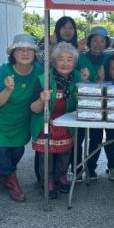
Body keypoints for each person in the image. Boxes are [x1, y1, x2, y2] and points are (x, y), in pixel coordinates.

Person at [0, 34, 43, 202]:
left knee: (18, 150)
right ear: (13, 53)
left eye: (29, 50)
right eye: (20, 50)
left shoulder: (39, 71)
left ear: (34, 54)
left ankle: (3, 175)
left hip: (20, 120)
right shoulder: (2, 72)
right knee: (1, 150)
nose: (25, 53)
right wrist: (8, 90)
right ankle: (13, 183)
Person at [30, 43, 86, 199]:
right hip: (46, 123)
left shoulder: (78, 77)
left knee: (65, 154)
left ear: (75, 62)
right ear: (53, 62)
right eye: (61, 59)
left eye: (70, 59)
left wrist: (86, 83)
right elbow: (33, 108)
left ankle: (61, 177)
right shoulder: (43, 79)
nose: (65, 63)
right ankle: (46, 182)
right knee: (46, 156)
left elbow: (86, 101)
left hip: (67, 123)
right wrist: (41, 100)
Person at [77, 26, 110, 180]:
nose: (98, 44)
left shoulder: (109, 58)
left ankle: (91, 167)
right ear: (89, 42)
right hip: (81, 102)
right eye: (94, 40)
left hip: (101, 104)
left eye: (102, 41)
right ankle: (77, 169)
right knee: (78, 138)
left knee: (96, 138)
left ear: (106, 43)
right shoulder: (79, 57)